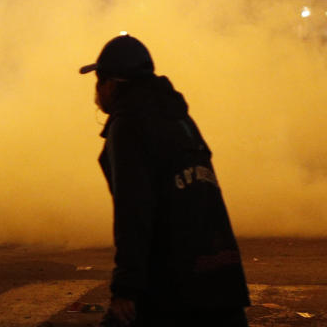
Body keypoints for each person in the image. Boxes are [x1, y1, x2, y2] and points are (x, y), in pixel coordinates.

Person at [78, 35, 250, 326]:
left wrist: (125, 289)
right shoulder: (177, 117)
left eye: (99, 80)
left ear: (112, 84)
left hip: (174, 288)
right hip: (222, 280)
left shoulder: (128, 123)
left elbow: (134, 211)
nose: (96, 90)